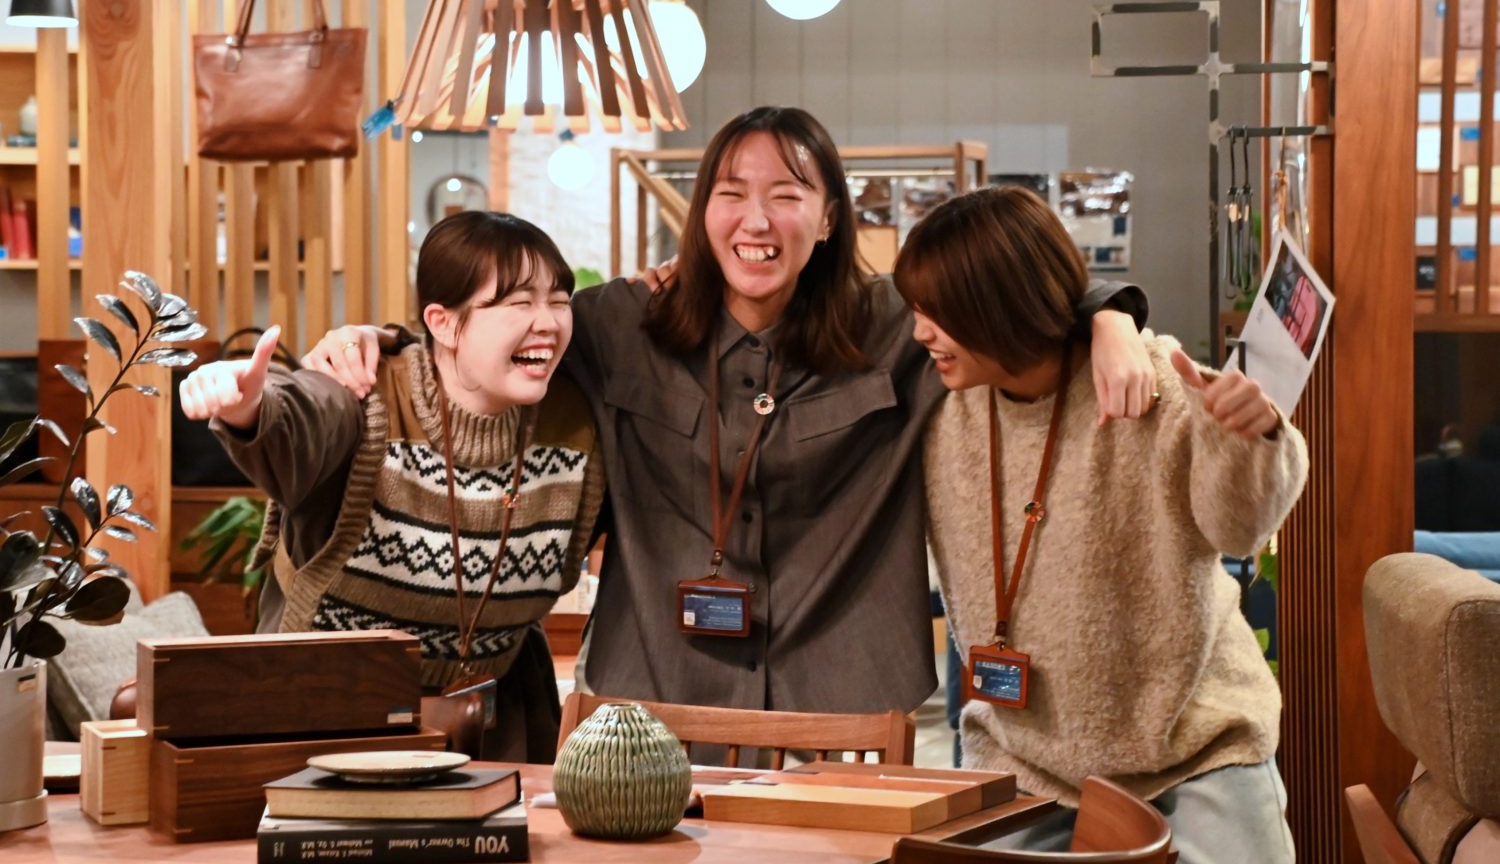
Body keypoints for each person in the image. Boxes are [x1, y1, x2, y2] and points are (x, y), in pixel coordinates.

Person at [303, 107, 1153, 723]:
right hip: (655, 701)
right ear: (701, 210)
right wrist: (374, 338)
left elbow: (1015, 295)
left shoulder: (896, 325)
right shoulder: (620, 326)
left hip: (846, 703)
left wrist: (1110, 316)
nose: (756, 219)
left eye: (787, 194)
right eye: (731, 192)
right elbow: (489, 336)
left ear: (829, 217)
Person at [896, 186, 1306, 863]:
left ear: (1000, 306)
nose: (918, 333)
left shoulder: (1146, 381)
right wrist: (1112, 312)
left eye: (936, 313)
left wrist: (1252, 439)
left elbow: (1240, 531)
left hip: (1195, 748)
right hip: (1023, 758)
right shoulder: (940, 409)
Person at [179, 212, 604, 762]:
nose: (547, 322)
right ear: (443, 323)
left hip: (499, 731)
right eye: (519, 303)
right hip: (329, 721)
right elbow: (303, 414)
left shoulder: (575, 419)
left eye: (559, 301)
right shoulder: (366, 391)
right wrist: (249, 406)